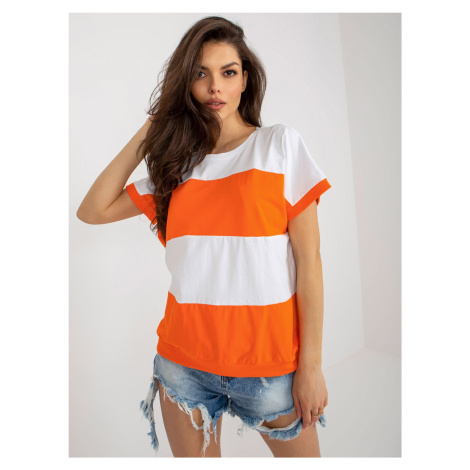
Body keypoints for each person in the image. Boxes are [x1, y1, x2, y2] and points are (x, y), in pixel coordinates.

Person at [77, 16, 331, 458]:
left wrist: (310, 366)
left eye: (228, 72)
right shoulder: (175, 169)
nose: (215, 86)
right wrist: (153, 128)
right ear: (187, 84)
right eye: (200, 73)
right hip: (183, 366)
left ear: (245, 79)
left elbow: (309, 261)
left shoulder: (279, 146)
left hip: (269, 367)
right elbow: (92, 210)